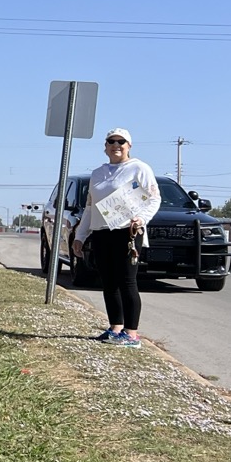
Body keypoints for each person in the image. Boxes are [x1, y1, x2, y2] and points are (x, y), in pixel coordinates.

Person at [72, 127, 160, 348]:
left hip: (127, 232)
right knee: (109, 282)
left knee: (127, 281)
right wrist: (80, 236)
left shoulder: (139, 168)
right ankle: (115, 328)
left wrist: (141, 219)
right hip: (102, 232)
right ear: (105, 147)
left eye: (121, 142)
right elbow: (90, 207)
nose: (116, 145)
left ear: (129, 146)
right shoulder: (98, 173)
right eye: (111, 141)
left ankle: (132, 334)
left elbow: (153, 199)